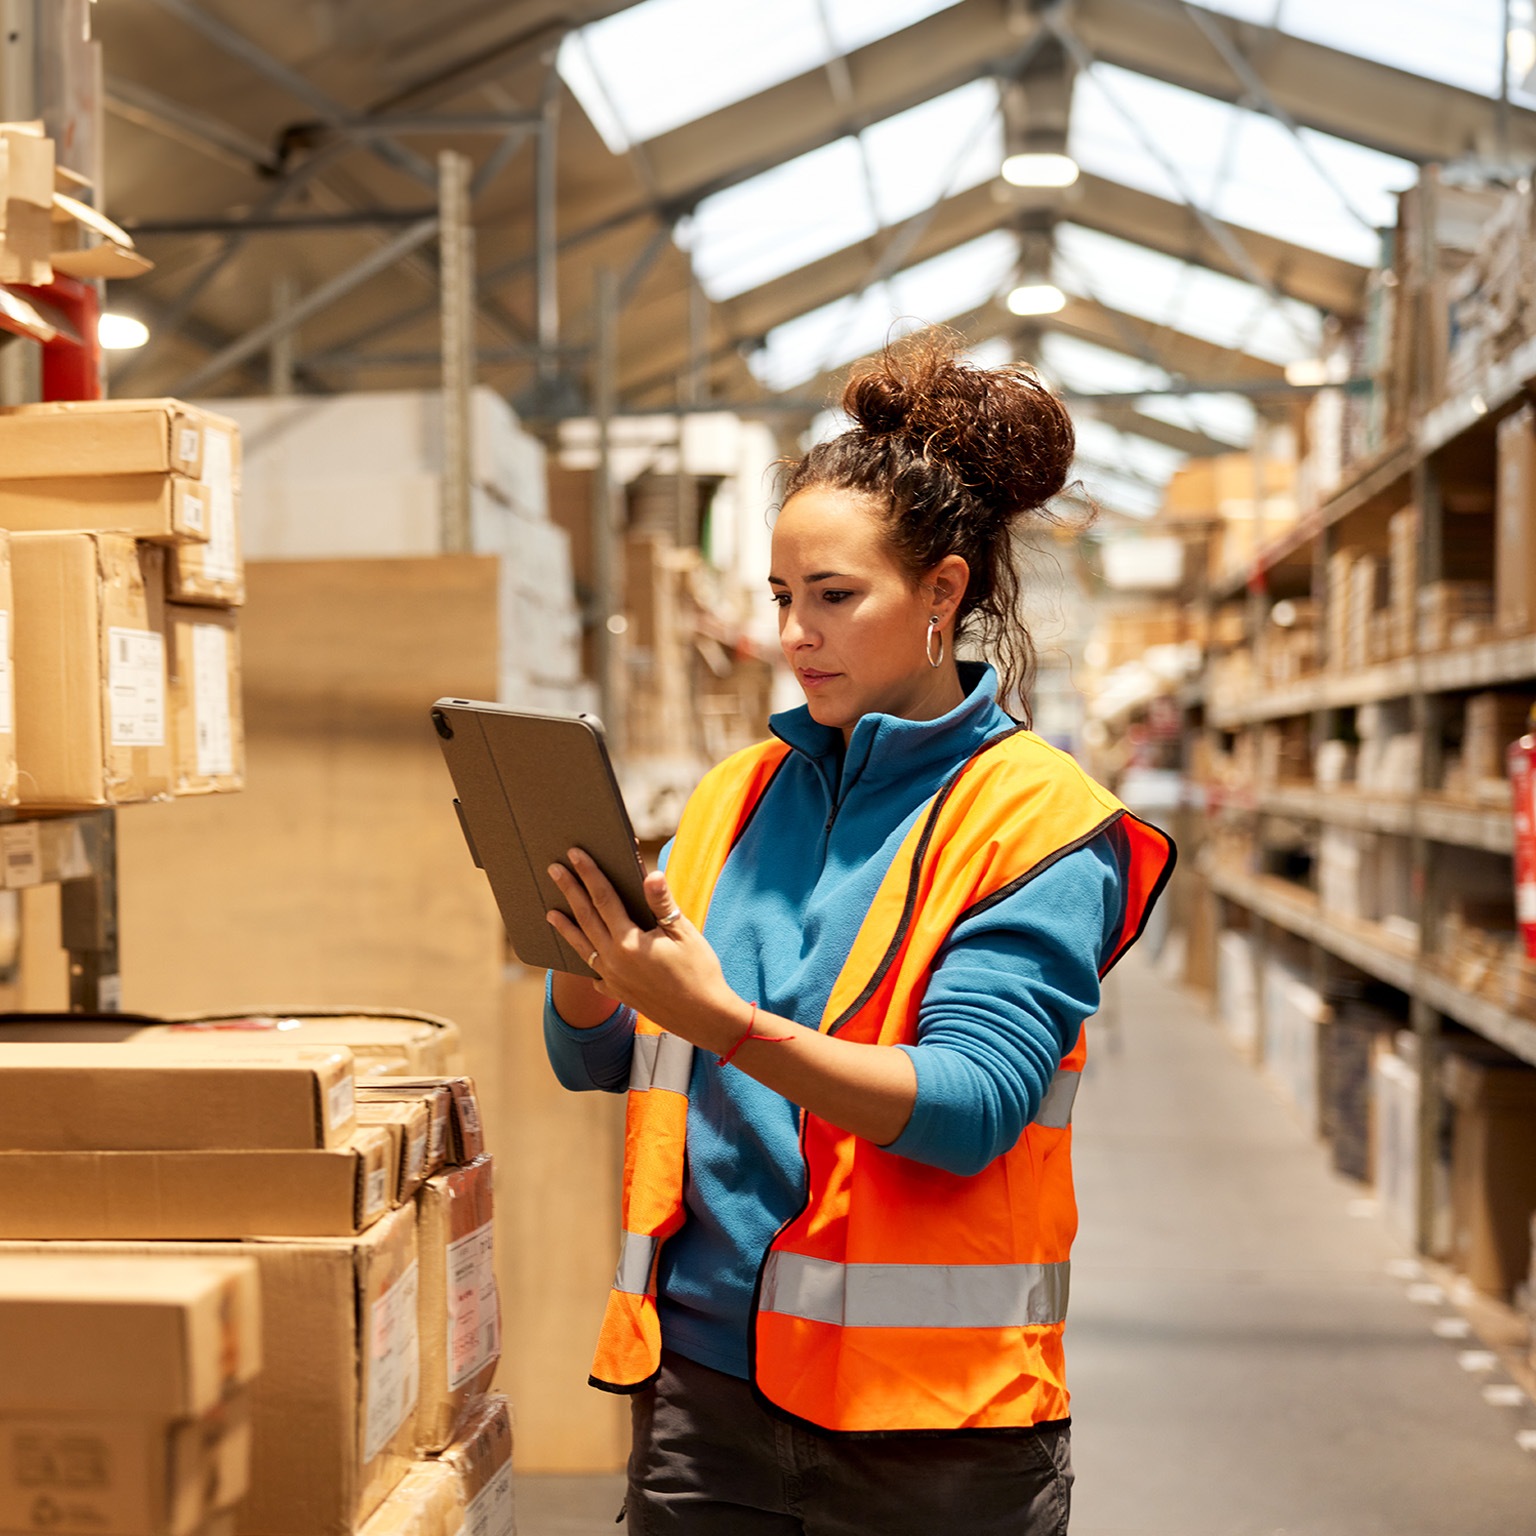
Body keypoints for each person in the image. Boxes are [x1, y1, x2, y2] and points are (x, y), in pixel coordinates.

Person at [542, 337, 1175, 1535]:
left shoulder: (1034, 818)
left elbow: (968, 1105)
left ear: (942, 593)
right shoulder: (736, 794)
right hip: (702, 1392)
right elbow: (602, 1058)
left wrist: (720, 1019)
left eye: (835, 597)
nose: (798, 634)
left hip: (927, 1428)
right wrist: (587, 962)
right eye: (784, 599)